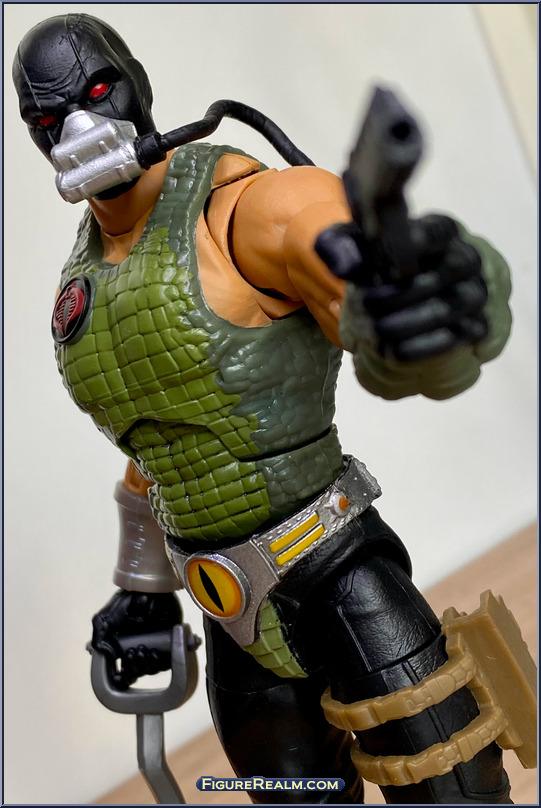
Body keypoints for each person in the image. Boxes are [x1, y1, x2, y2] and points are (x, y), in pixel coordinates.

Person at [14, 13, 522, 805]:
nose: (78, 127)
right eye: (47, 118)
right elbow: (154, 450)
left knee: (451, 787)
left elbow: (372, 305)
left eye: (99, 91)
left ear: (137, 84)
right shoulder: (86, 279)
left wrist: (443, 294)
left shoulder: (247, 208)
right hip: (228, 611)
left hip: (334, 572)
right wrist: (143, 586)